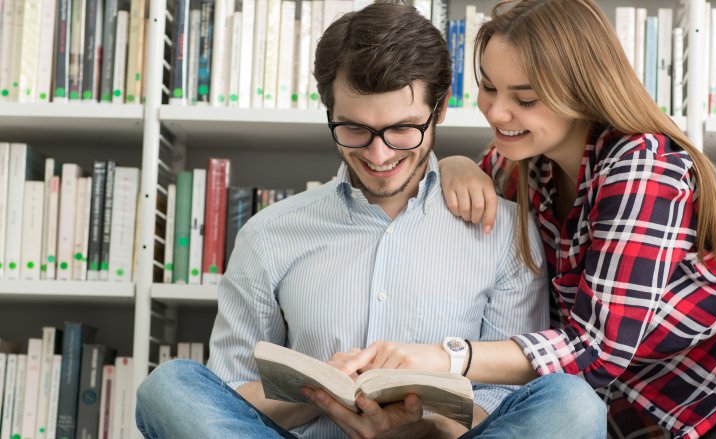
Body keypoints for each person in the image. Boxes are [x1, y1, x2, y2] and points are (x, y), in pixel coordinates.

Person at [135, 3, 606, 438]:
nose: (379, 155)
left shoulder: (505, 230)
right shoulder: (269, 233)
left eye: (402, 129)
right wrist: (317, 393)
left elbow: (508, 403)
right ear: (329, 113)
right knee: (169, 388)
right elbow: (228, 397)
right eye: (355, 129)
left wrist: (424, 421)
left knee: (572, 404)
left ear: (438, 110)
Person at [330, 1, 716, 438]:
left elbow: (597, 348)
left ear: (580, 92)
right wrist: (455, 165)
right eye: (488, 87)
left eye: (524, 98)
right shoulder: (519, 163)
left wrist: (445, 358)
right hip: (647, 405)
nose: (497, 112)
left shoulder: (642, 165)